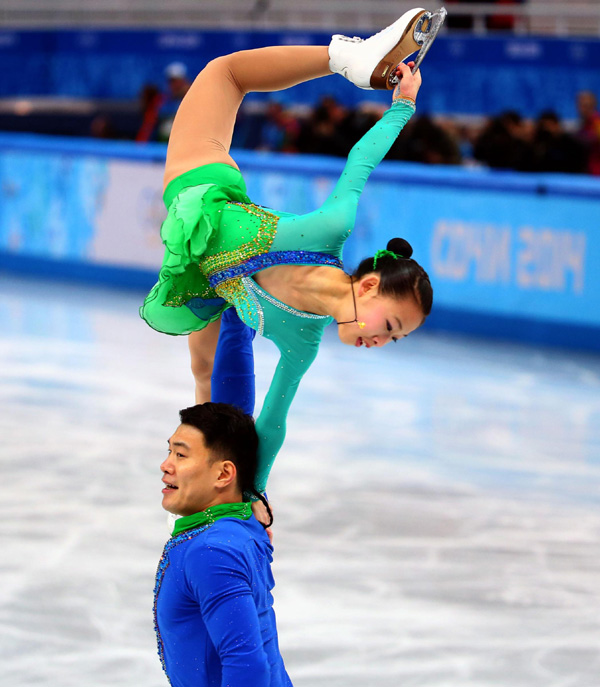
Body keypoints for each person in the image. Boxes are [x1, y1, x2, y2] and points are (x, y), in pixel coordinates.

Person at [141, 7, 442, 499]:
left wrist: (254, 492)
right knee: (226, 73)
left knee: (203, 374)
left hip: (205, 281)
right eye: (389, 326)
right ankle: (347, 56)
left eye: (395, 338)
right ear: (368, 285)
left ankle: (205, 490)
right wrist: (402, 108)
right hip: (205, 187)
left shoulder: (303, 341)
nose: (381, 342)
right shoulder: (329, 233)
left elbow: (273, 423)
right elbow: (360, 161)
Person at [155, 403, 289, 687]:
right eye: (169, 451)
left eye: (180, 455)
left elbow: (247, 669)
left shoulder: (212, 552)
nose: (166, 465)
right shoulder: (246, 521)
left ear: (223, 475)